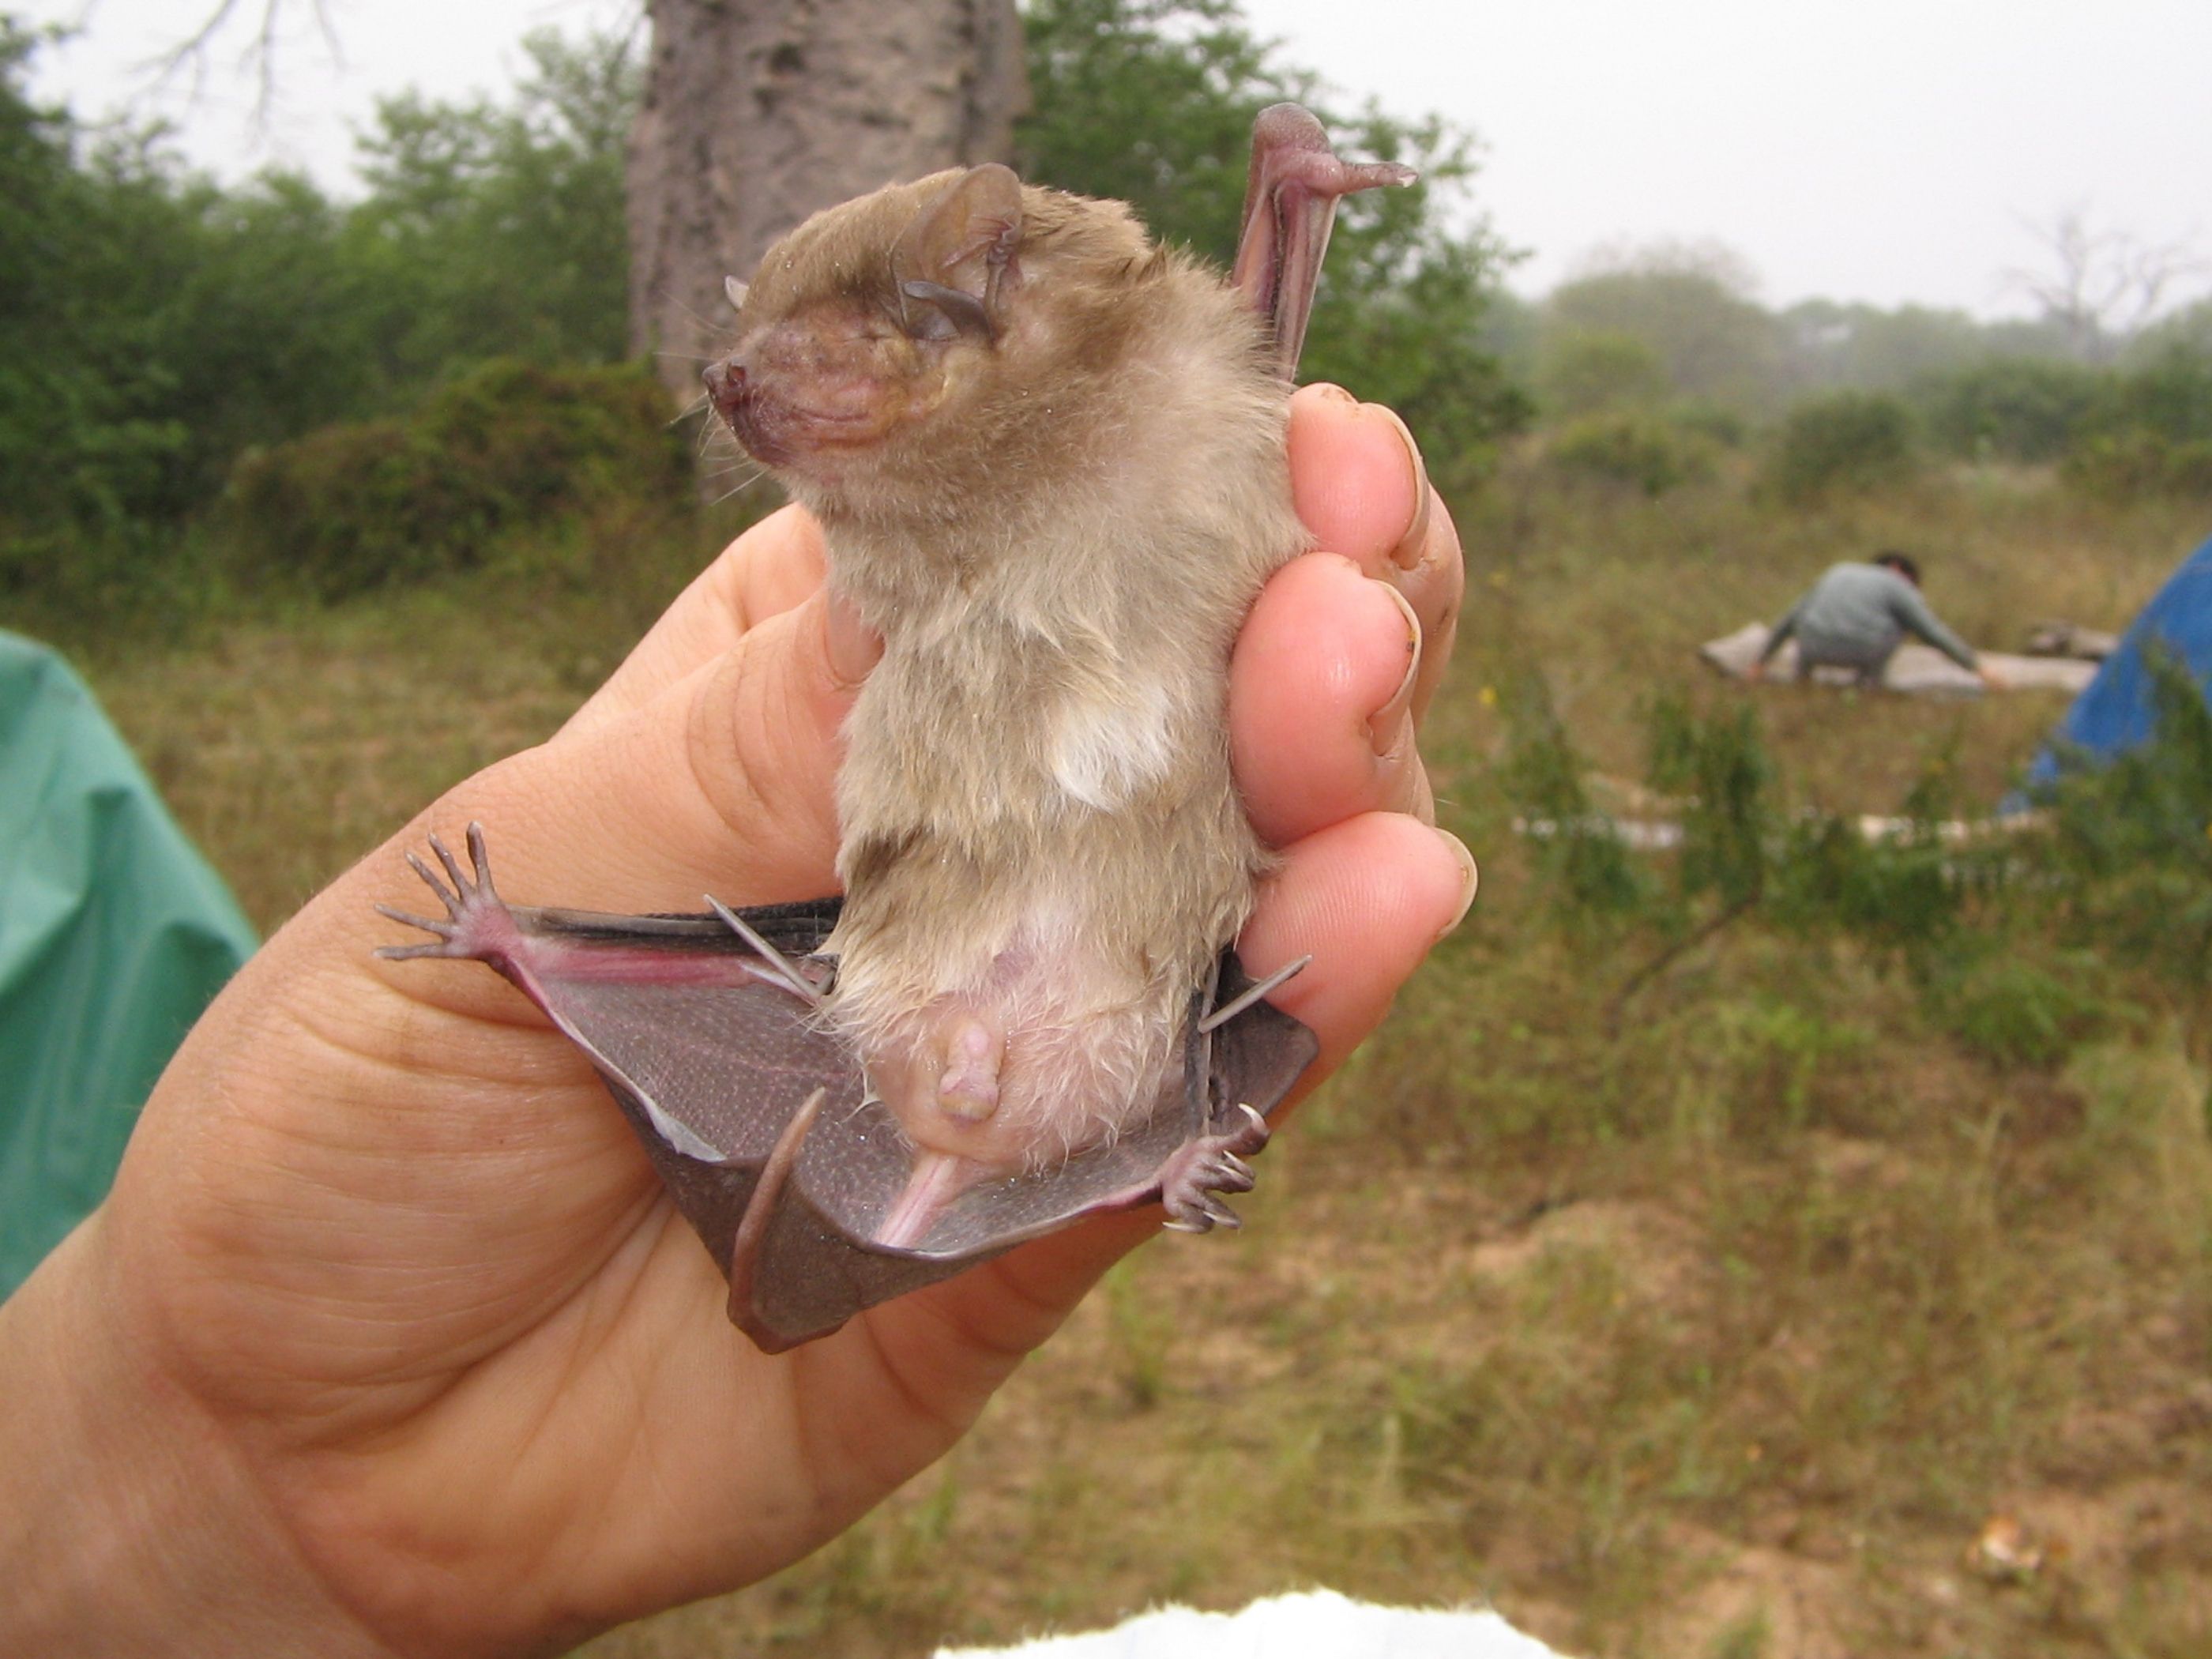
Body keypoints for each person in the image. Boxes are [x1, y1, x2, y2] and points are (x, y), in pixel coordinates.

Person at [0, 384, 1474, 1657]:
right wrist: (1177, 1155)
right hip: (1091, 987)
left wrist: (514, 941)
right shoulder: (1026, 1097)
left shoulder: (881, 1037)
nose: (965, 1075)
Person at [1747, 551, 2004, 690]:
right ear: (1901, 573)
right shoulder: (1898, 585)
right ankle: (1870, 686)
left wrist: (1760, 663)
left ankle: (1802, 681)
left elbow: (1791, 618)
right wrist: (1976, 667)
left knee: (1813, 620)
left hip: (1811, 649)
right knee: (1904, 622)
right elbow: (1932, 632)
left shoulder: (1839, 570)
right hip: (1860, 652)